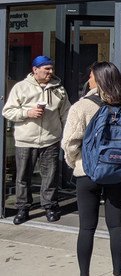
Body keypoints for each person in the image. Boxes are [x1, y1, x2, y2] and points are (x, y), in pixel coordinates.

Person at [61, 62, 121, 276]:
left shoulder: (81, 106)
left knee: (86, 227)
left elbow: (69, 143)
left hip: (87, 173)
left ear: (98, 80)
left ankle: (84, 274)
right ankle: (117, 272)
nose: (88, 80)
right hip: (119, 172)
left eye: (90, 76)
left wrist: (77, 164)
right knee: (116, 226)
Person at [2, 55, 71, 225]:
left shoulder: (58, 88)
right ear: (35, 70)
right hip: (26, 140)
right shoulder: (21, 87)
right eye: (46, 69)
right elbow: (7, 111)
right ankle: (23, 208)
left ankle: (50, 206)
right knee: (23, 176)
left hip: (50, 139)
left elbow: (66, 113)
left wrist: (66, 135)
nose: (50, 72)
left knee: (50, 175)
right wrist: (27, 113)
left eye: (51, 68)